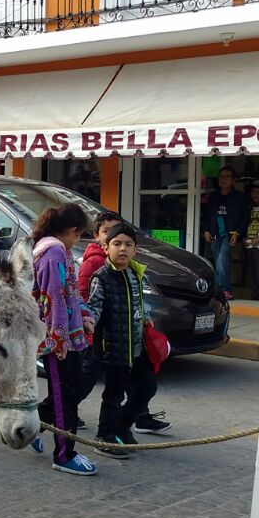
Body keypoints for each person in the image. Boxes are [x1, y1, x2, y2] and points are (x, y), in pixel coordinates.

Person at [32, 204, 97, 476]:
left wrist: (84, 314)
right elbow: (53, 299)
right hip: (57, 340)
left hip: (70, 337)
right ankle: (64, 454)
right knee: (63, 398)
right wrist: (58, 339)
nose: (79, 239)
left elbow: (71, 294)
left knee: (70, 391)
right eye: (79, 233)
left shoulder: (63, 251)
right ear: (71, 230)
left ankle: (33, 423)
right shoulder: (53, 253)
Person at [83, 223, 159, 448]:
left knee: (147, 387)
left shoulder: (136, 273)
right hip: (112, 349)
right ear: (106, 248)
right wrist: (89, 320)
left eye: (128, 245)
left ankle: (122, 426)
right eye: (117, 244)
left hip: (136, 348)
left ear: (135, 249)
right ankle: (104, 437)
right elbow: (94, 306)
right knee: (113, 396)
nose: (122, 249)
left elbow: (139, 301)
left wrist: (145, 317)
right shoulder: (102, 277)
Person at [201, 166, 249, 302]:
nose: (223, 179)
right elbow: (207, 215)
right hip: (215, 234)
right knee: (218, 261)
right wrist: (206, 230)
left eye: (227, 176)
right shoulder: (213, 197)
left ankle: (224, 289)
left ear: (234, 180)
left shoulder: (239, 198)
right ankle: (219, 289)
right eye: (221, 176)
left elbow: (244, 217)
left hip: (230, 233)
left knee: (222, 258)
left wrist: (238, 233)